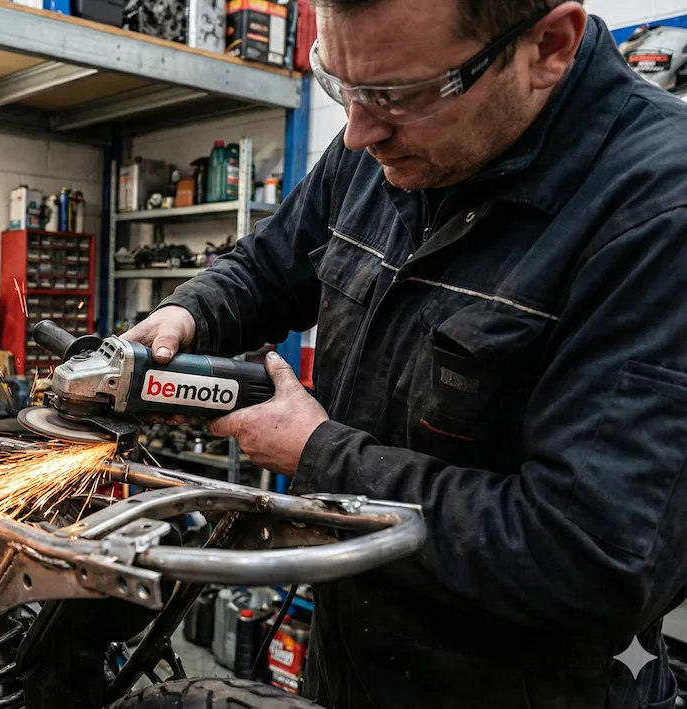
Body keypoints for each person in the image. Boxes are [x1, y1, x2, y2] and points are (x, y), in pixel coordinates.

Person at [123, 0, 687, 706]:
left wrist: (320, 453)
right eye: (341, 85)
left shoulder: (660, 211)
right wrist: (186, 313)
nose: (358, 132)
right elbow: (272, 266)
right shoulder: (384, 143)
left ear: (548, 46)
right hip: (354, 665)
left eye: (398, 96)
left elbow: (592, 556)